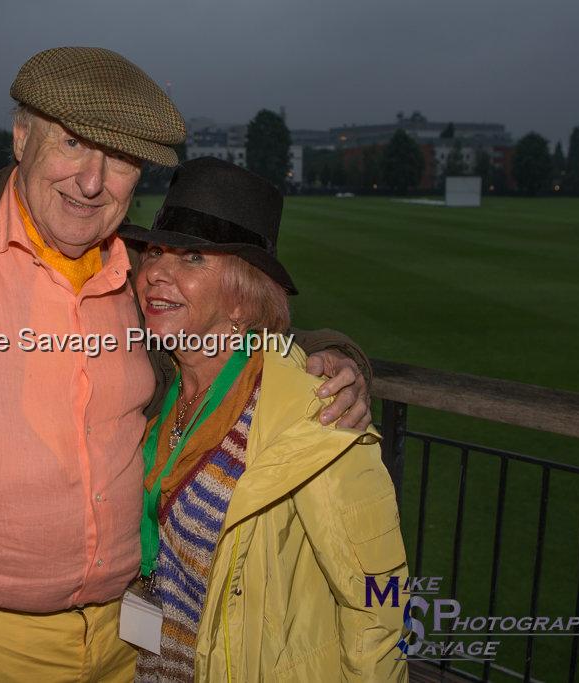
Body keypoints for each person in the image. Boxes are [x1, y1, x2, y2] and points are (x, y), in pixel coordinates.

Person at [0, 47, 373, 682]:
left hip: (131, 646)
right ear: (21, 137)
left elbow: (237, 332)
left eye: (121, 159)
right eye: (75, 144)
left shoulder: (141, 275)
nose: (91, 181)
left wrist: (337, 358)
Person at [120, 157, 407, 682]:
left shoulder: (315, 414)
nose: (156, 272)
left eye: (191, 258)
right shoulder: (154, 379)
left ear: (242, 301)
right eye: (155, 252)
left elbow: (380, 599)